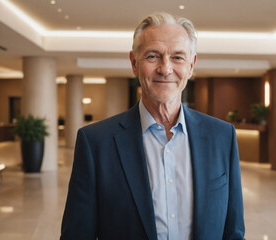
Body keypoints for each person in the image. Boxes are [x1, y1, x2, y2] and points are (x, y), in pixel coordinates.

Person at [60, 12, 245, 240]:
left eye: (178, 57)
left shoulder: (222, 137)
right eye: (153, 56)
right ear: (134, 63)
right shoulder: (96, 142)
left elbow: (234, 233)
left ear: (191, 65)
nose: (165, 69)